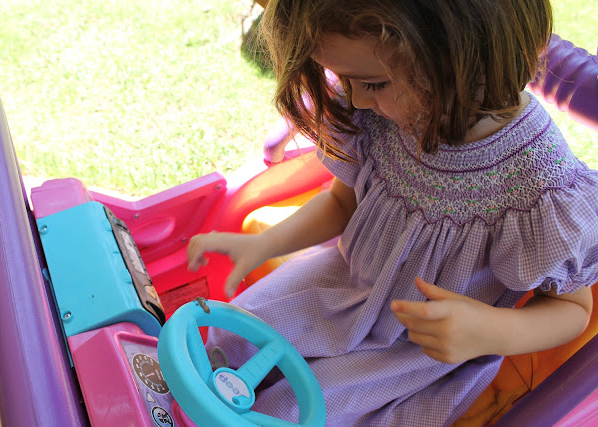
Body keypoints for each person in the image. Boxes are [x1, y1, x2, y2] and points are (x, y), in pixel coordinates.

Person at [187, 0, 598, 425]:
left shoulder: (538, 181)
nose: (356, 99)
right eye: (347, 80)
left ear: (459, 62)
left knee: (293, 411)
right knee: (229, 335)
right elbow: (342, 202)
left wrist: (489, 331)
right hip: (342, 283)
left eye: (373, 83)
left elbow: (572, 309)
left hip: (414, 347)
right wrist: (263, 244)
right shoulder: (386, 112)